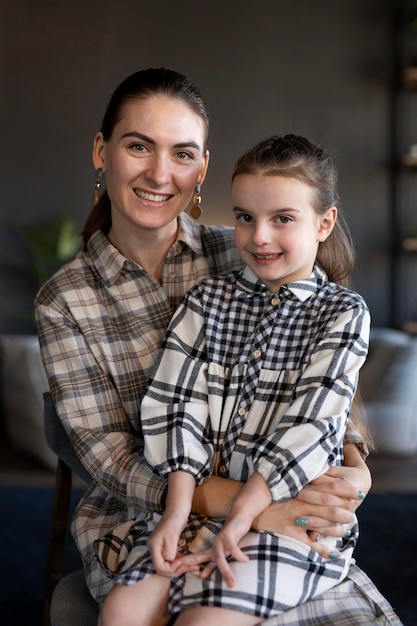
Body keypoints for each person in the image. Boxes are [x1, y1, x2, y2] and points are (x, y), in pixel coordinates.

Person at [33, 68, 401, 626]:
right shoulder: (65, 300)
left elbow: (324, 384)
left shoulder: (249, 252)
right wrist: (259, 510)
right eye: (138, 146)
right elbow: (111, 459)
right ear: (101, 152)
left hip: (285, 489)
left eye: (182, 153)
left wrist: (355, 473)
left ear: (202, 168)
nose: (160, 173)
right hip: (146, 510)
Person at [114, 133, 370, 625]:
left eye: (283, 219)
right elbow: (176, 404)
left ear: (324, 223)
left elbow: (311, 422)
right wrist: (176, 511)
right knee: (123, 610)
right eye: (245, 217)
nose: (259, 237)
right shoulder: (206, 301)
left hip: (288, 518)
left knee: (204, 620)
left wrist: (245, 514)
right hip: (199, 508)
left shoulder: (342, 313)